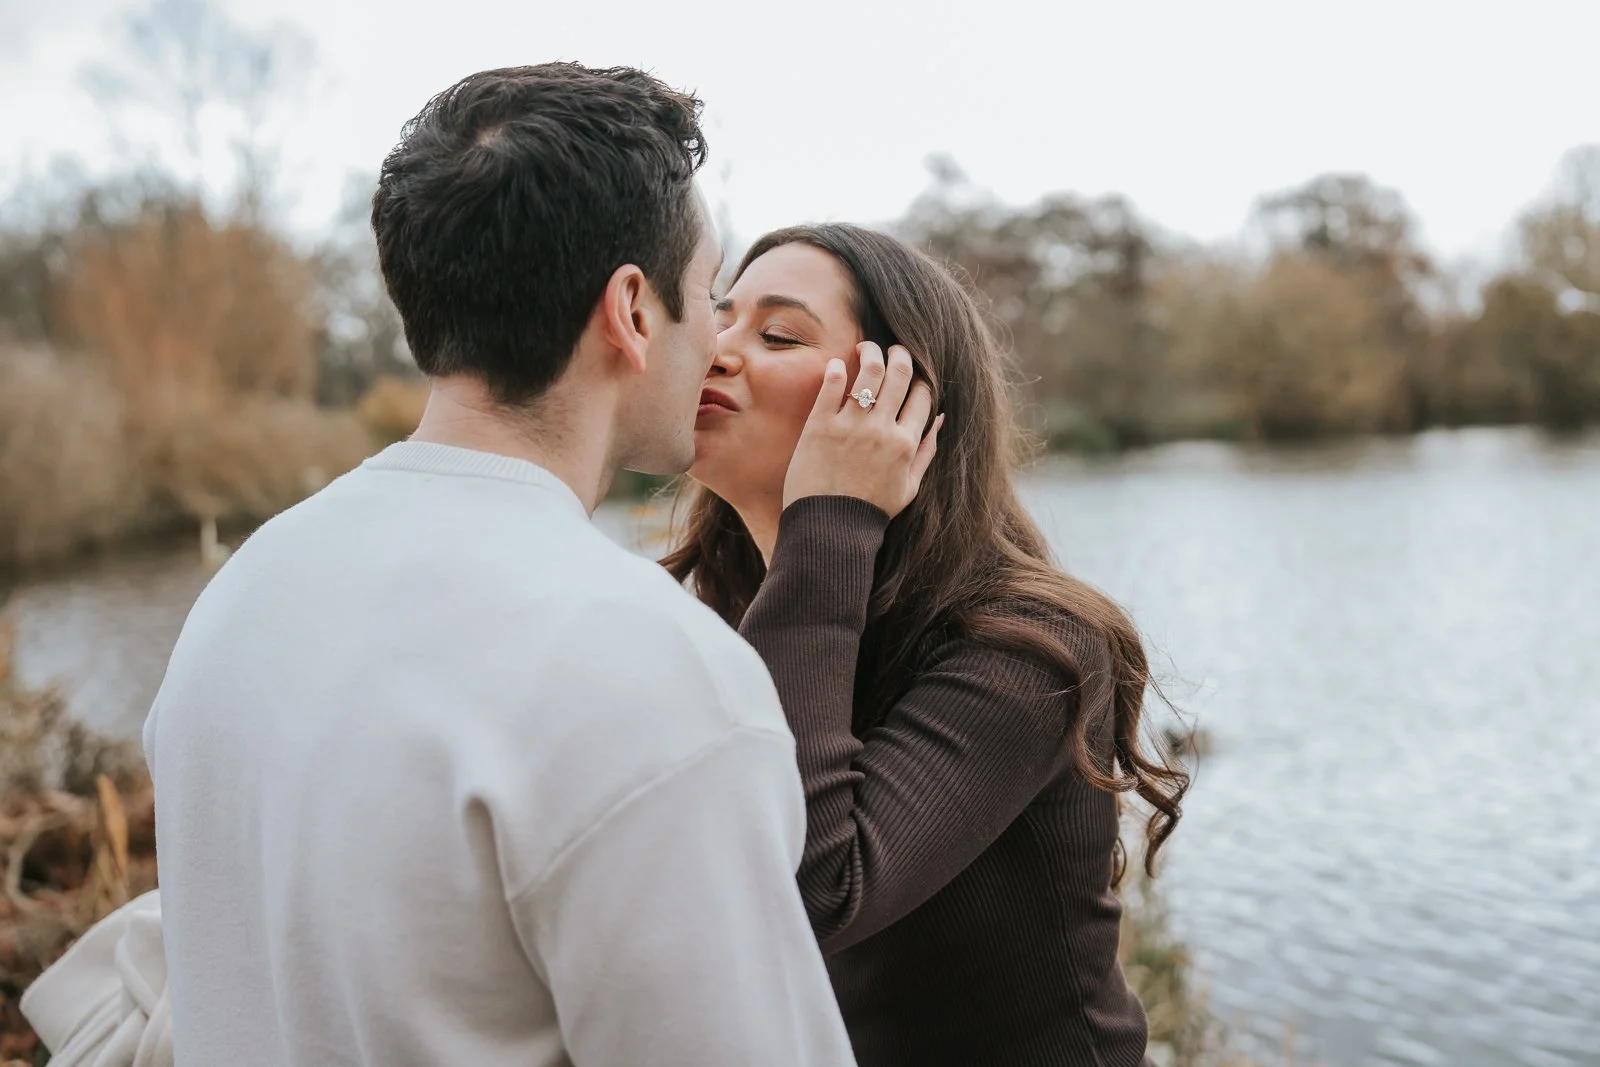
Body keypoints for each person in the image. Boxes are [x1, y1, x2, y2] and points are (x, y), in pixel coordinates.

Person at [138, 66, 857, 1067]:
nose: (718, 343)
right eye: (708, 296)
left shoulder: (242, 595)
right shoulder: (652, 671)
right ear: (632, 312)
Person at [663, 223, 1191, 1067]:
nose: (717, 352)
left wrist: (832, 515)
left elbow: (809, 892)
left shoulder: (1031, 651)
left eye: (779, 334)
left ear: (898, 402)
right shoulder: (730, 617)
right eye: (718, 321)